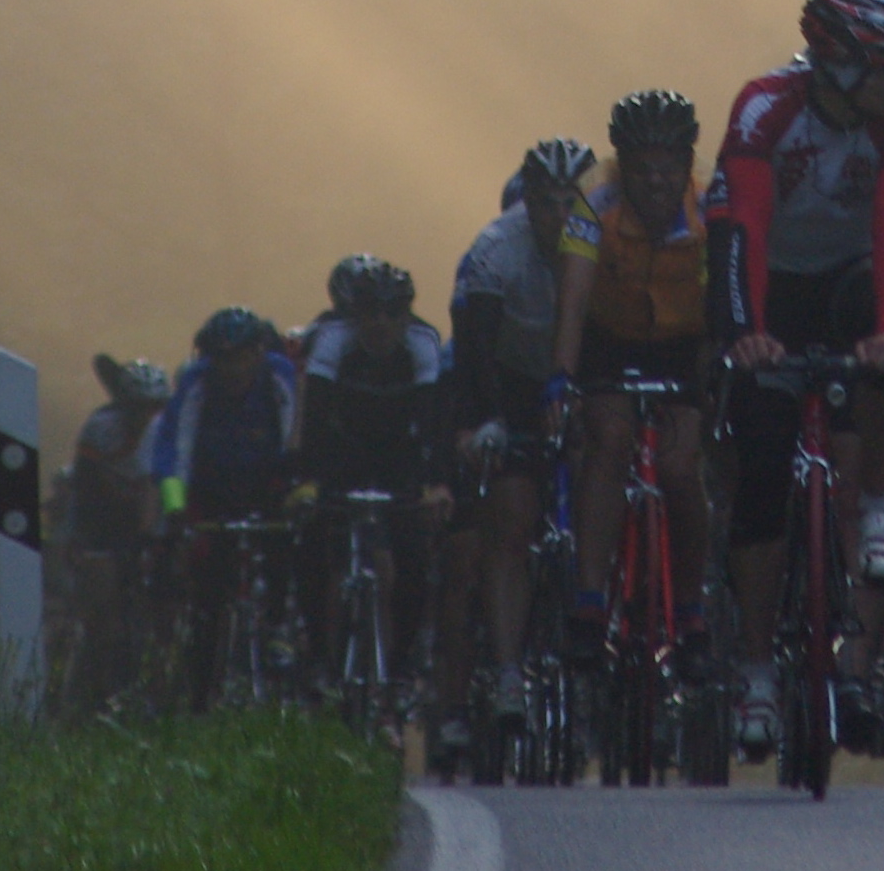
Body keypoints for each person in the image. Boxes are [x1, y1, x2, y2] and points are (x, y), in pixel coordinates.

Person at [710, 0, 884, 758]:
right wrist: (748, 335)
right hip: (766, 281)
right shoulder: (765, 107)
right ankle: (758, 673)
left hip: (846, 281)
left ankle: (876, 511)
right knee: (763, 480)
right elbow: (742, 228)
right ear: (839, 62)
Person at [442, 134, 596, 751]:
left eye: (571, 203)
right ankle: (508, 672)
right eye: (546, 203)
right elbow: (473, 351)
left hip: (582, 374)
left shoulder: (608, 236)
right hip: (509, 382)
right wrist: (484, 422)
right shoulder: (494, 250)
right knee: (510, 518)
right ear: (525, 203)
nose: (560, 216)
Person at [552, 89, 711, 671]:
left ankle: (691, 610)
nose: (656, 182)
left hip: (682, 342)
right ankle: (591, 602)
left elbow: (724, 300)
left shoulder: (709, 203)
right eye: (642, 168)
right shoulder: (595, 199)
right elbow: (573, 299)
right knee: (609, 443)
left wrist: (717, 378)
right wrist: (562, 379)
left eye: (670, 168)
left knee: (680, 467)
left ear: (687, 163)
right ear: (622, 164)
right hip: (609, 337)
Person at [296, 258, 451, 683]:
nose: (381, 323)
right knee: (313, 541)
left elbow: (435, 421)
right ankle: (319, 657)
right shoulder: (332, 340)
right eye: (370, 312)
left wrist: (436, 483)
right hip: (344, 452)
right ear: (355, 314)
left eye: (393, 313)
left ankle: (399, 668)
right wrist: (308, 480)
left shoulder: (423, 342)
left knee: (413, 559)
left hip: (400, 455)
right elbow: (314, 418)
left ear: (407, 315)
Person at [151, 308, 298, 706]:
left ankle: (279, 628)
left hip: (267, 485)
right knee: (208, 585)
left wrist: (296, 490)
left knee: (287, 551)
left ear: (258, 353)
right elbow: (174, 451)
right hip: (210, 490)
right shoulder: (196, 383)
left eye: (241, 356)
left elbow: (294, 437)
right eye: (222, 358)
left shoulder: (278, 377)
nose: (233, 368)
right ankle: (200, 688)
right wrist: (176, 508)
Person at [60, 354, 171, 708]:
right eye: (139, 407)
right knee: (104, 612)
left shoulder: (171, 428)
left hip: (149, 520)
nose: (148, 416)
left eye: (156, 407)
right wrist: (79, 540)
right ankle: (92, 685)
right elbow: (85, 489)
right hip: (103, 522)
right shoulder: (101, 429)